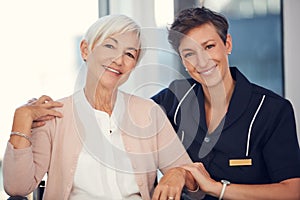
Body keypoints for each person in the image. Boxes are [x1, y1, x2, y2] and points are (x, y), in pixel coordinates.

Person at [2, 14, 198, 200]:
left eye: (129, 54)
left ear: (134, 65)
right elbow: (17, 188)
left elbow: (194, 183)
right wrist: (22, 118)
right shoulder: (55, 115)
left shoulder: (149, 112)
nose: (119, 60)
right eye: (110, 45)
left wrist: (179, 173)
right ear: (85, 50)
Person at [151, 7, 300, 200]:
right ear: (183, 61)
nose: (202, 61)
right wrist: (176, 172)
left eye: (209, 47)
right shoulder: (175, 97)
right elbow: (130, 121)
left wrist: (216, 188)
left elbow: (292, 191)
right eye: (189, 54)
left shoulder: (272, 110)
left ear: (227, 44)